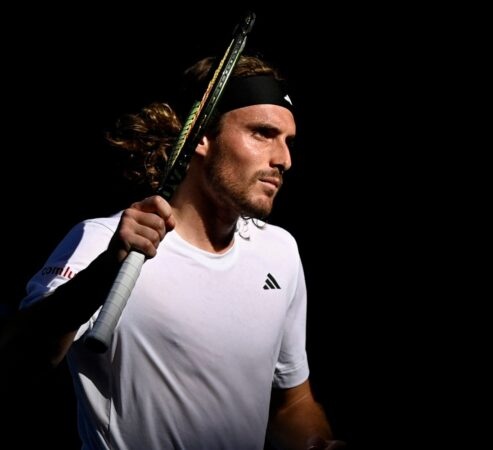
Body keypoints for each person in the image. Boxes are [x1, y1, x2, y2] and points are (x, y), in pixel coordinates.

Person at [6, 55, 345, 449]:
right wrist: (103, 275)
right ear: (201, 136)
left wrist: (318, 442)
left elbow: (292, 403)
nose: (284, 159)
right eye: (263, 133)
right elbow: (14, 365)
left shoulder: (280, 251)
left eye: (287, 142)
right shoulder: (101, 241)